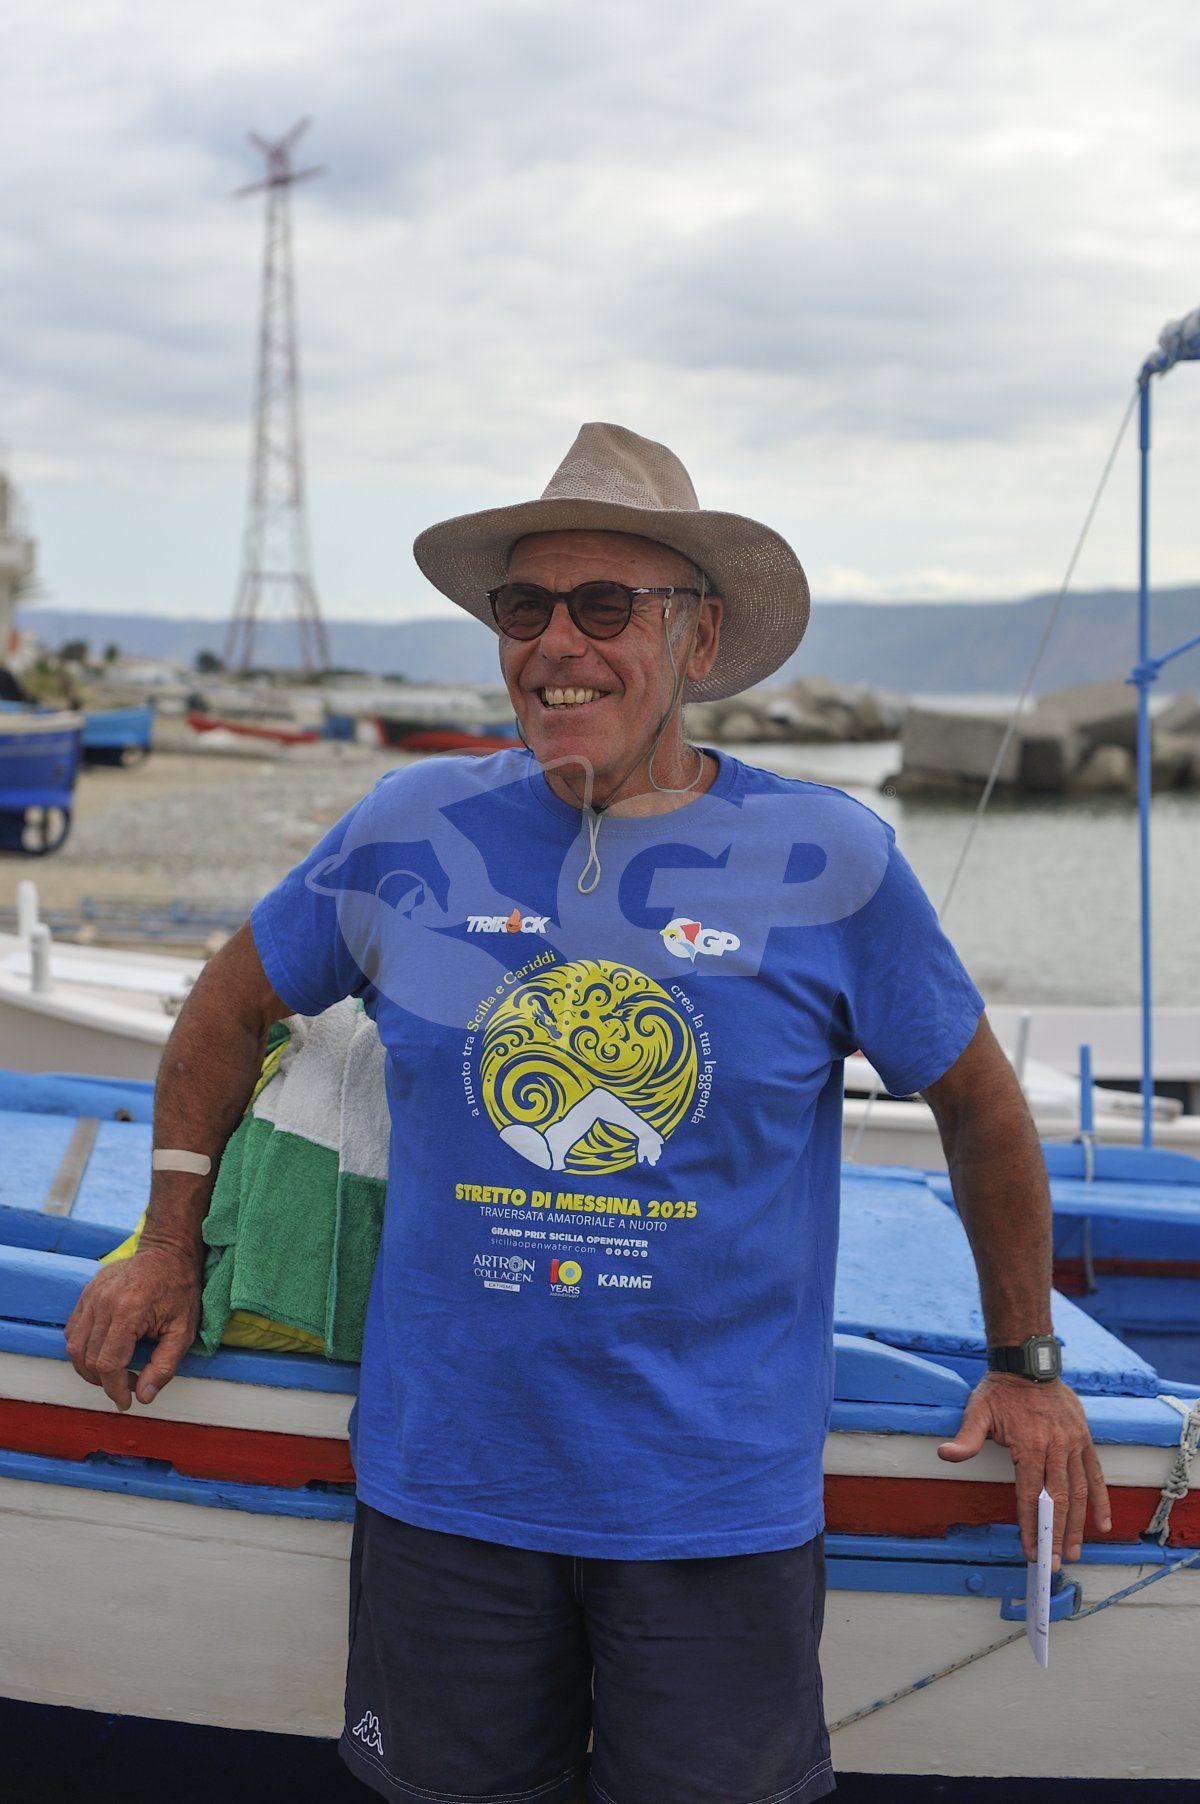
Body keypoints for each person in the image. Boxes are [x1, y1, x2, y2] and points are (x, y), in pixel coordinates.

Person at [66, 423, 1111, 1804]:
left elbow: (979, 1106)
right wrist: (166, 1240)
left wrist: (1026, 1363)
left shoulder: (830, 859)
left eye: (606, 605)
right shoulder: (409, 829)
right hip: (448, 1493)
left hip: (712, 1513)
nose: (558, 644)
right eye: (526, 607)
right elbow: (225, 1005)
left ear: (697, 637)